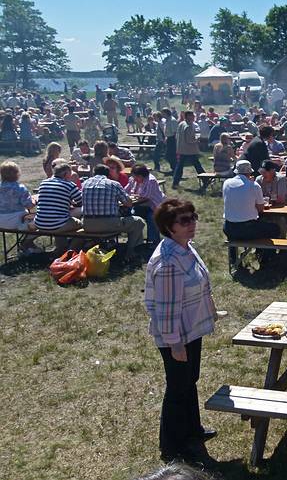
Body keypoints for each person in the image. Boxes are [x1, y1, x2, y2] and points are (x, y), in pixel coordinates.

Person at [144, 198, 218, 463]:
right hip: (175, 336)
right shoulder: (168, 263)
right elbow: (164, 309)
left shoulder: (185, 248)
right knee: (177, 388)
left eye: (193, 217)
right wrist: (175, 344)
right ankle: (173, 445)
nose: (192, 224)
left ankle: (192, 431)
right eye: (184, 221)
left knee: (190, 381)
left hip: (190, 330)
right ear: (169, 227)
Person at [82, 164, 146, 261]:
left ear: (93, 173)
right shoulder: (113, 184)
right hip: (109, 224)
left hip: (88, 224)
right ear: (108, 174)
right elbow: (128, 203)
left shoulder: (85, 184)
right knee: (138, 221)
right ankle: (130, 252)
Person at [30, 161, 83, 255]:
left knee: (61, 219)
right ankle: (71, 250)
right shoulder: (69, 185)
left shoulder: (43, 183)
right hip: (58, 224)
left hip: (40, 223)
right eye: (70, 174)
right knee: (82, 225)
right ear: (65, 173)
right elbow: (81, 201)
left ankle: (60, 248)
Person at [221, 160, 280, 244]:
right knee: (275, 229)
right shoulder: (254, 186)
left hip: (229, 228)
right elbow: (260, 208)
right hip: (247, 229)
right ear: (249, 172)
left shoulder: (226, 183)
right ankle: (267, 254)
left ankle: (233, 256)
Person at [126, 164, 166, 244]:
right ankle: (136, 241)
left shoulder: (151, 181)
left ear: (141, 176)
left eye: (136, 177)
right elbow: (125, 190)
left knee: (151, 217)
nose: (134, 179)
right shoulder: (133, 180)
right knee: (131, 217)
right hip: (140, 206)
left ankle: (153, 241)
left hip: (154, 206)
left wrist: (134, 196)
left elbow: (146, 197)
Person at [172, 111, 206, 189]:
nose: (193, 117)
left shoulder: (181, 124)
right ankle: (205, 179)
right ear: (188, 117)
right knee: (197, 166)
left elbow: (177, 137)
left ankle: (175, 183)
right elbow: (189, 140)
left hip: (182, 149)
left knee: (180, 166)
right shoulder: (188, 126)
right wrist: (197, 141)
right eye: (192, 116)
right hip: (190, 150)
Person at [0, 160, 35, 231]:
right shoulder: (20, 188)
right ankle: (27, 240)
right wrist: (34, 200)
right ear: (17, 173)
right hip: (18, 221)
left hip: (1, 221)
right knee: (38, 221)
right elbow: (29, 206)